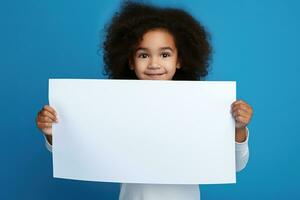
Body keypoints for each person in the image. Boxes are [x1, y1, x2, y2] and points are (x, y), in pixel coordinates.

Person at [36, 1, 253, 200]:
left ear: (180, 60)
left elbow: (235, 164)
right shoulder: (113, 107)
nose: (154, 64)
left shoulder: (200, 107)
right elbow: (78, 152)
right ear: (130, 61)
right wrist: (52, 133)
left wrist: (239, 129)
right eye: (143, 55)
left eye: (165, 54)